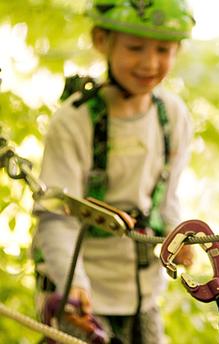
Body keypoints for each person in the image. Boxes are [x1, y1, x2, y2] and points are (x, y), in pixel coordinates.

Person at [31, 0, 195, 342]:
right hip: (77, 294)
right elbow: (56, 216)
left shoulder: (173, 117)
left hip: (142, 294)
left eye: (163, 49)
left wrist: (177, 235)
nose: (150, 63)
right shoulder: (75, 121)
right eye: (135, 48)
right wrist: (72, 282)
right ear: (101, 41)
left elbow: (166, 197)